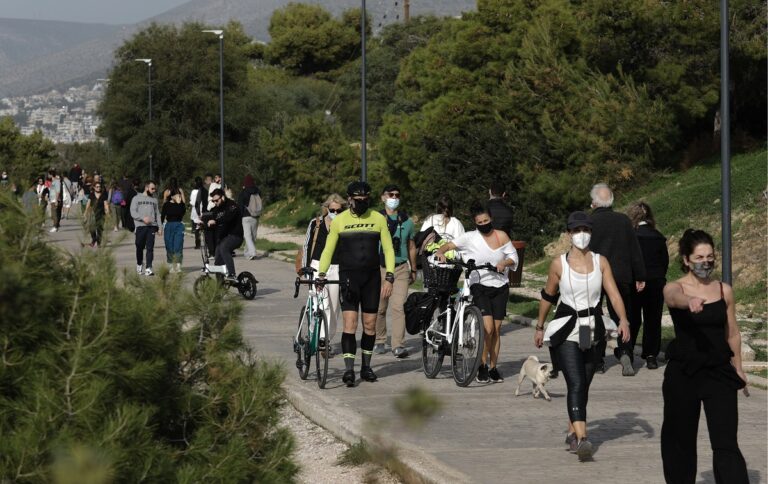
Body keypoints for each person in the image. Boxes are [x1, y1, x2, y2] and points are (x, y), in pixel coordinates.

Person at [534, 211, 631, 461]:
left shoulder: (601, 262)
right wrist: (539, 325)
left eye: (586, 230)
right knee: (576, 383)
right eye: (576, 231)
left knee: (584, 384)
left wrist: (623, 319)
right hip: (567, 329)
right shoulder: (559, 264)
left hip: (592, 330)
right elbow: (548, 296)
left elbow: (614, 294)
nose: (581, 235)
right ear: (569, 234)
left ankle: (572, 431)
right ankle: (583, 439)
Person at [661, 229, 749, 484]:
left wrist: (739, 367)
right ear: (687, 260)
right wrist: (689, 301)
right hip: (684, 373)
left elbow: (732, 332)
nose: (706, 262)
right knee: (681, 440)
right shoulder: (674, 287)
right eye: (699, 257)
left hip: (718, 372)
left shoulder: (724, 290)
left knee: (726, 441)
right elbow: (673, 298)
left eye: (710, 256)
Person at [317, 181, 395, 387]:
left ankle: (366, 367)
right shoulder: (339, 221)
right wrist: (322, 273)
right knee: (350, 324)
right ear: (350, 199)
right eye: (358, 200)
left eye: (365, 200)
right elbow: (327, 250)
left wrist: (389, 276)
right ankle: (349, 370)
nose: (362, 203)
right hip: (349, 276)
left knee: (370, 325)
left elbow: (388, 249)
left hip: (371, 278)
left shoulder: (378, 218)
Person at [434, 202, 519, 383]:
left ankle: (493, 367)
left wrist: (505, 263)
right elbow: (448, 246)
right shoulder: (469, 238)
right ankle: (481, 366)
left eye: (486, 220)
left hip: (500, 286)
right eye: (479, 222)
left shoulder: (501, 236)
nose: (483, 224)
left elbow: (514, 257)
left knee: (496, 329)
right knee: (487, 328)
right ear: (475, 223)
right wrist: (440, 252)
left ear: (491, 219)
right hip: (479, 286)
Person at [589, 183, 646, 376]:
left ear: (594, 202)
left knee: (593, 315)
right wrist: (640, 275)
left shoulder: (589, 223)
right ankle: (625, 351)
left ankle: (596, 359)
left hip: (595, 275)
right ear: (611, 201)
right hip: (621, 275)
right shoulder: (623, 221)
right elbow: (634, 250)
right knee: (623, 316)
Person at [297, 194, 348, 353]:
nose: (335, 213)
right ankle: (316, 337)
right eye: (332, 209)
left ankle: (325, 338)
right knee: (321, 303)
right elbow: (306, 246)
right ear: (326, 208)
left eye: (338, 210)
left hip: (336, 267)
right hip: (317, 266)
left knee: (333, 306)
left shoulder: (345, 224)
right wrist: (305, 268)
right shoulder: (316, 223)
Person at [374, 184, 418, 358]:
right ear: (383, 197)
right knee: (380, 307)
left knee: (399, 306)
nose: (394, 198)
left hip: (400, 268)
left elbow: (412, 246)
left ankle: (398, 345)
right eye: (390, 194)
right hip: (379, 268)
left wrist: (413, 268)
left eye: (397, 195)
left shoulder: (407, 221)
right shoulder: (376, 218)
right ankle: (380, 340)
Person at [627, 202, 669, 369]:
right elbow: (664, 262)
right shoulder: (658, 236)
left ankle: (628, 350)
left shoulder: (631, 236)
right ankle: (651, 355)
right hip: (656, 282)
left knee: (633, 318)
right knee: (653, 319)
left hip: (634, 282)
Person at [207, 188, 243, 281]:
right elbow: (211, 218)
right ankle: (220, 283)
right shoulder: (216, 209)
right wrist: (203, 223)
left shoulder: (232, 206)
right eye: (213, 201)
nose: (215, 202)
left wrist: (216, 221)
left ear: (222, 197)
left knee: (224, 247)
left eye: (216, 200)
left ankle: (232, 274)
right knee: (218, 256)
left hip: (235, 236)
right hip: (224, 238)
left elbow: (228, 218)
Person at [130, 180, 162, 276]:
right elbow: (133, 212)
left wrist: (160, 227)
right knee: (139, 246)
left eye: (154, 189)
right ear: (146, 187)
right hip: (140, 226)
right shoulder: (136, 198)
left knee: (150, 248)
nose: (153, 190)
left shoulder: (154, 200)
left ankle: (149, 267)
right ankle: (139, 264)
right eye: (152, 188)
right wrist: (142, 218)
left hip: (152, 227)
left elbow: (158, 214)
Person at [162, 188, 186, 272]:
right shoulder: (166, 204)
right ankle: (171, 265)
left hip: (179, 225)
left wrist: (180, 202)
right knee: (169, 246)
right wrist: (159, 228)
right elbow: (162, 216)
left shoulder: (181, 204)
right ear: (172, 196)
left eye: (179, 194)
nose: (178, 196)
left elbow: (182, 213)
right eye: (176, 194)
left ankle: (178, 265)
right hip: (169, 225)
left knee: (178, 245)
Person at [238, 174, 262, 260]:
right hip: (256, 216)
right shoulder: (257, 191)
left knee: (247, 236)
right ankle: (247, 253)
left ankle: (252, 252)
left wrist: (239, 217)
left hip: (246, 217)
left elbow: (240, 206)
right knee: (253, 236)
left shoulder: (243, 192)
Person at [83, 181, 109, 248]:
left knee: (100, 229)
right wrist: (85, 212)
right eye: (97, 187)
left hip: (101, 214)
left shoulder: (103, 195)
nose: (98, 188)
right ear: (94, 187)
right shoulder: (91, 194)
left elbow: (106, 204)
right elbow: (88, 204)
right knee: (92, 228)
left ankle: (99, 243)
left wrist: (107, 212)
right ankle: (94, 240)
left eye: (99, 187)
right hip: (93, 214)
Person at [190, 177, 204, 249]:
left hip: (195, 211)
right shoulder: (204, 190)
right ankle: (207, 243)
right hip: (203, 210)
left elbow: (192, 202)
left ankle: (197, 244)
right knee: (204, 228)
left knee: (196, 229)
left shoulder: (193, 192)